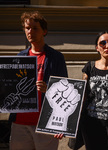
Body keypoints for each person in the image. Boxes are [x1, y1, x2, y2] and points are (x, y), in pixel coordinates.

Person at [9, 11, 68, 150]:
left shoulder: (56, 57)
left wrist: (49, 89)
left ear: (44, 31)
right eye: (27, 28)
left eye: (35, 28)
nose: (30, 31)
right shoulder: (19, 57)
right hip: (20, 123)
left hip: (46, 123)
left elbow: (65, 89)